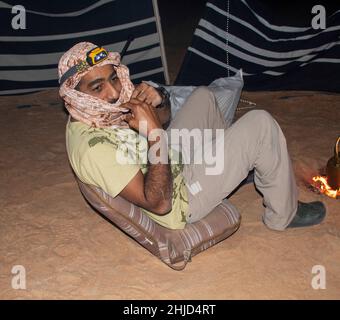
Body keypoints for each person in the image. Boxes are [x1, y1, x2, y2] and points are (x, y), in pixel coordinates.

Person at [59, 42, 326, 231]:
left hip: (161, 163)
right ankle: (283, 216)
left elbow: (162, 119)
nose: (114, 93)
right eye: (98, 87)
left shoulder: (97, 112)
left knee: (204, 98)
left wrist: (159, 99)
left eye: (113, 79)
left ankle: (229, 165)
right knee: (260, 123)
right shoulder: (95, 149)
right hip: (177, 196)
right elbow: (159, 203)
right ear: (77, 94)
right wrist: (154, 135)